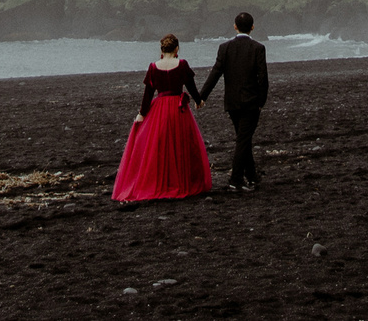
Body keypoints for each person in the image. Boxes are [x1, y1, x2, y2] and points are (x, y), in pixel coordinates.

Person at [110, 34, 214, 203]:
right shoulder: (182, 64)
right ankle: (179, 181)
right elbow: (191, 86)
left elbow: (148, 94)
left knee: (158, 146)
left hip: (159, 109)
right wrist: (198, 100)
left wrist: (142, 114)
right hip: (177, 109)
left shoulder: (153, 67)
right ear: (177, 49)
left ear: (161, 49)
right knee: (180, 145)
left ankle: (160, 181)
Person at [198, 11, 269, 190]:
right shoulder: (258, 48)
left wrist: (202, 96)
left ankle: (251, 175)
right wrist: (262, 101)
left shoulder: (225, 48)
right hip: (251, 102)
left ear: (235, 26)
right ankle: (236, 180)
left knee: (243, 138)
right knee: (243, 140)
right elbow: (263, 78)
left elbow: (215, 73)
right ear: (252, 27)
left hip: (232, 102)